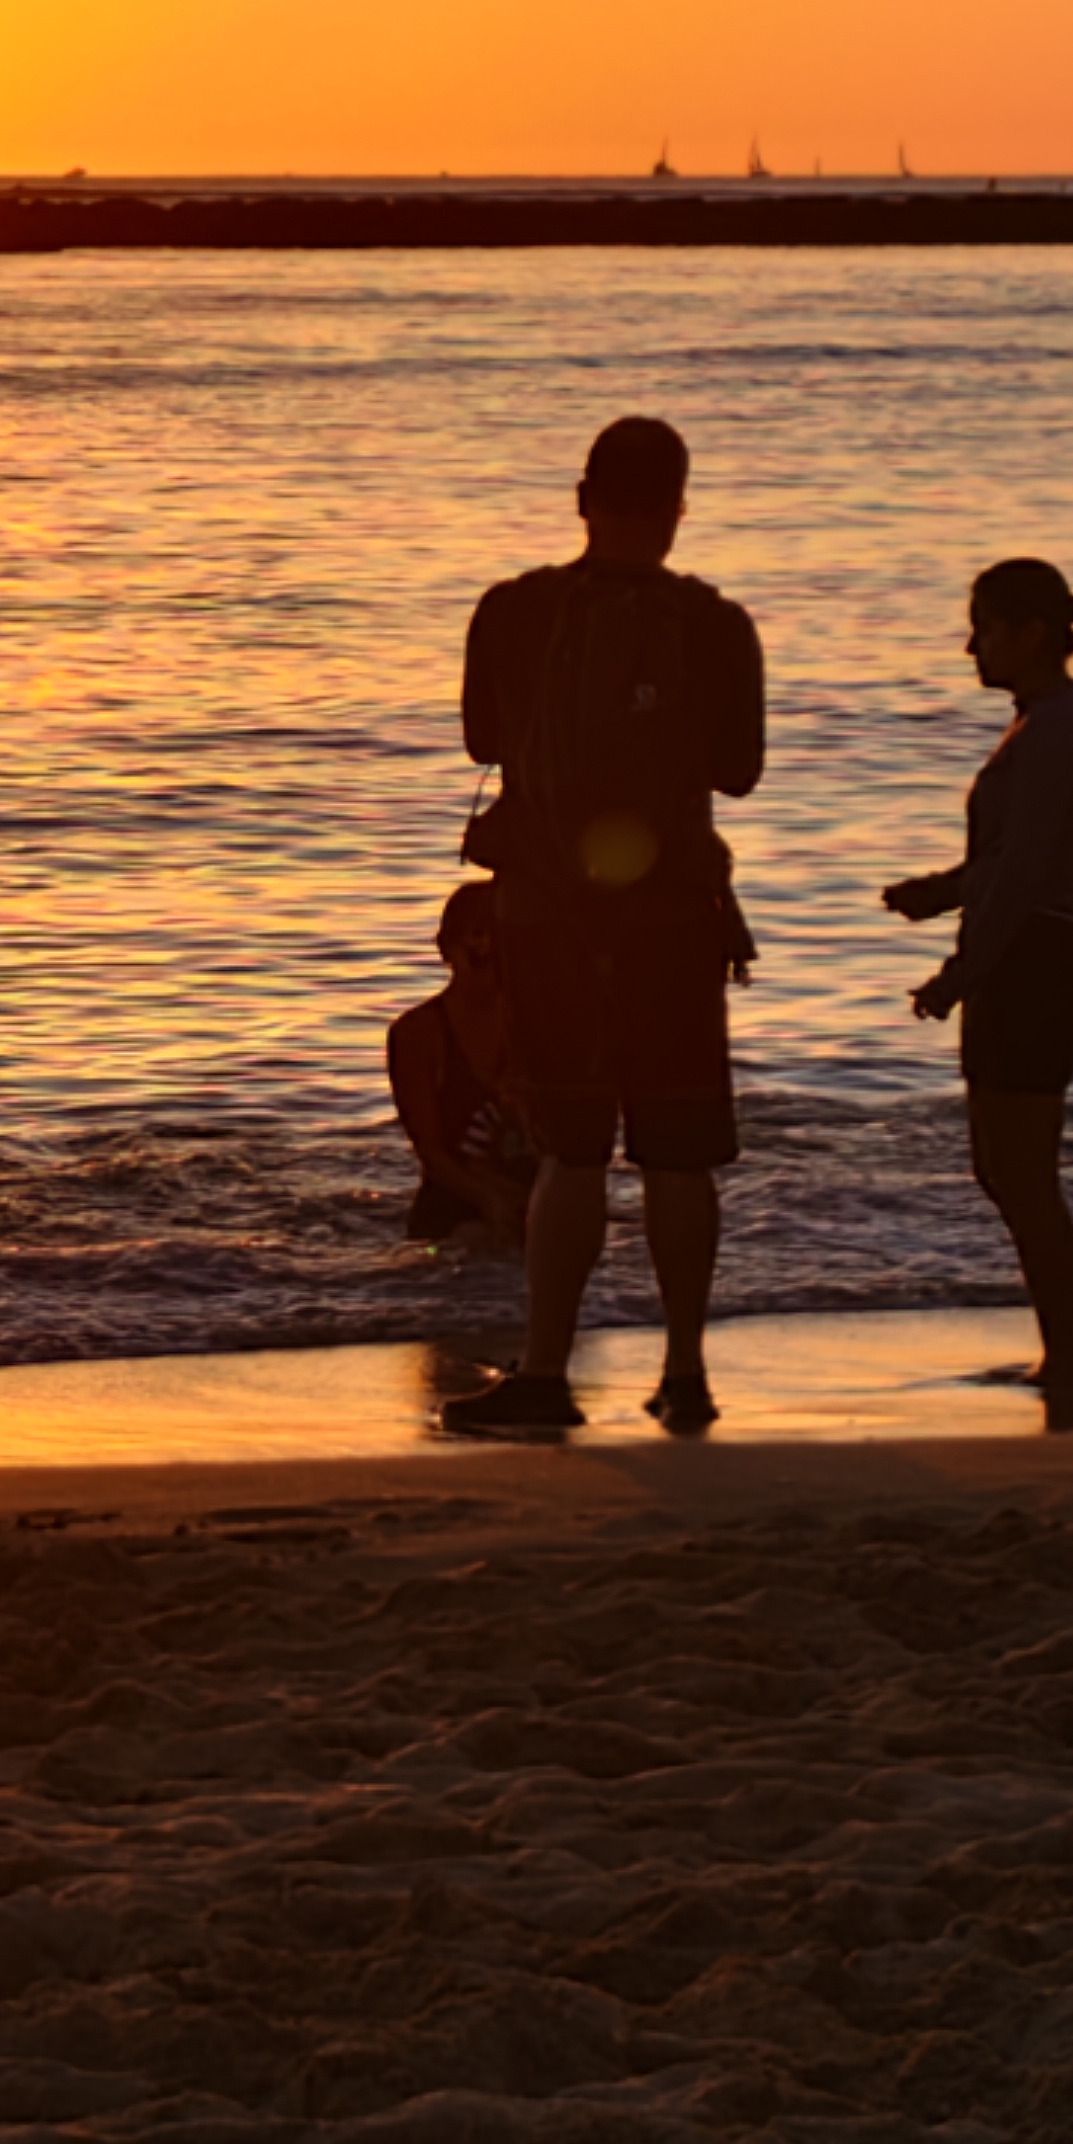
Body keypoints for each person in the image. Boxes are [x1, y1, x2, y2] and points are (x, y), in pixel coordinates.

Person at [440, 414, 765, 1437]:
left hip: (547, 916)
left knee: (572, 1152)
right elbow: (740, 771)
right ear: (678, 509)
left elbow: (480, 738)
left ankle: (544, 1373)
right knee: (678, 1153)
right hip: (673, 915)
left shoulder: (510, 610)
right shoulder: (717, 623)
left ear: (583, 497)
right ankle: (686, 1372)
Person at [882, 558, 1073, 1397]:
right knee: (1002, 1169)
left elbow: (1024, 875)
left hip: (1038, 964)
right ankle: (1066, 1344)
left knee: (1021, 1172)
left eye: (982, 625)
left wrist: (960, 973)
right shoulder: (1037, 724)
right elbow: (1006, 859)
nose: (969, 643)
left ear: (1030, 633)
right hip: (1024, 957)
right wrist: (940, 895)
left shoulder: (1053, 728)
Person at [387, 882, 536, 1249]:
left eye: (504, 952)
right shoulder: (418, 1034)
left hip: (532, 1199)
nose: (491, 967)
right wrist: (491, 1201)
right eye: (478, 953)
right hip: (455, 1206)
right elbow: (431, 1151)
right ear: (447, 950)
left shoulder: (536, 1025)